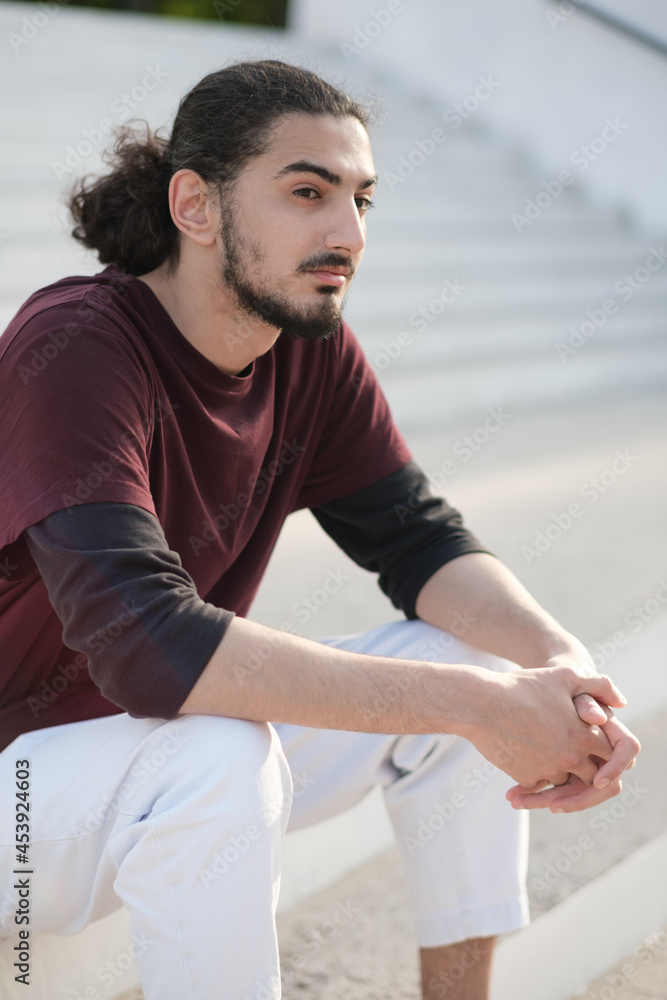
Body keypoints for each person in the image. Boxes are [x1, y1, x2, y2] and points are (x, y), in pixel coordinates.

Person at [0, 60, 639, 1000]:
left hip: (132, 753)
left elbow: (417, 541)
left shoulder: (306, 348)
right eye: (307, 192)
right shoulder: (77, 348)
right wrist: (474, 708)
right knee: (220, 758)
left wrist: (562, 674)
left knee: (474, 662)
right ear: (196, 203)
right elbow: (147, 646)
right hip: (22, 800)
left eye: (360, 199)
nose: (346, 233)